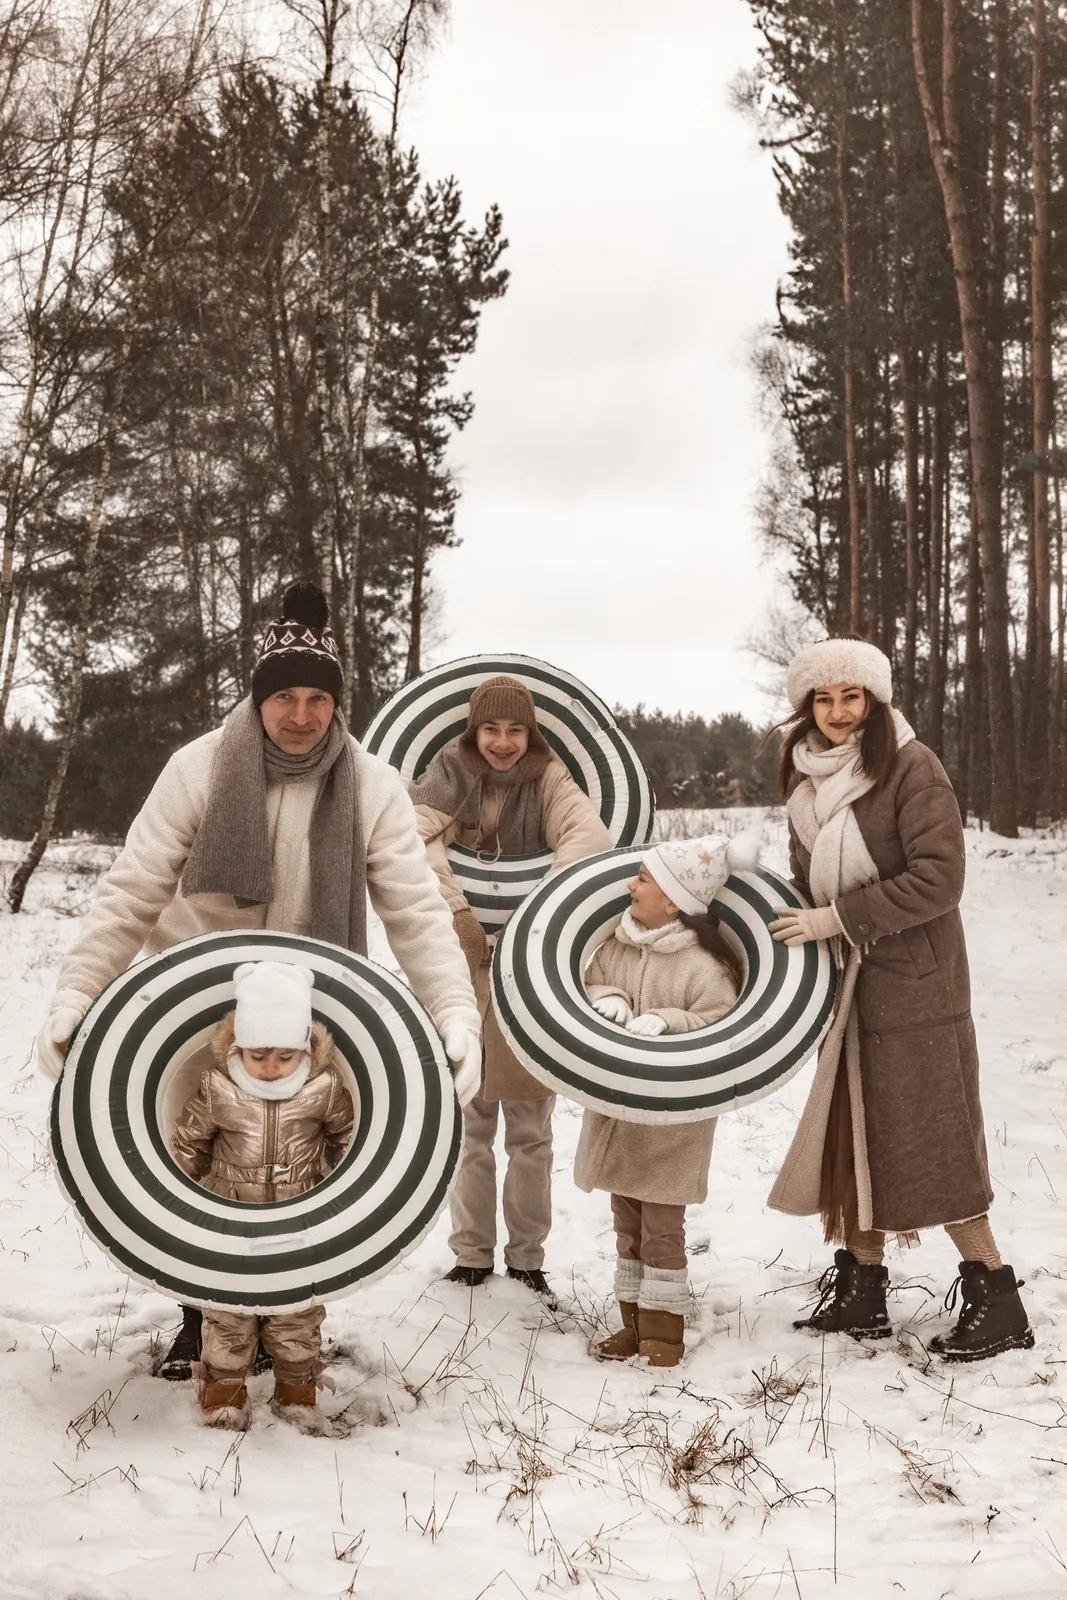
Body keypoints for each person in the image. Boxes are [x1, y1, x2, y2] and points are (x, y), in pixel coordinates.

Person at [36, 580, 481, 1379]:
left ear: (337, 705)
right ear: (258, 698)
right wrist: (77, 991)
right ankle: (199, 1321)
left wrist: (454, 1010)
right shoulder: (199, 768)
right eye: (286, 698)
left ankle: (289, 1325)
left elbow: (414, 909)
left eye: (318, 698)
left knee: (294, 1165)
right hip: (196, 1009)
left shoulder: (370, 783)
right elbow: (133, 888)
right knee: (208, 1168)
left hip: (308, 1015)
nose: (302, 715)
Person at [766, 637, 1033, 1362]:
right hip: (846, 985)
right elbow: (807, 884)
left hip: (914, 983)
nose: (837, 712)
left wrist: (838, 918)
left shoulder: (913, 768)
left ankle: (994, 1292)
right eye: (823, 698)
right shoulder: (803, 781)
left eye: (852, 697)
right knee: (854, 1134)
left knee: (930, 1138)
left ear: (876, 702)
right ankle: (862, 1289)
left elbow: (938, 879)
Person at [409, 675, 612, 1299]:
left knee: (530, 1129)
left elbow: (589, 839)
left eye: (515, 729)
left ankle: (527, 1257)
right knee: (470, 1121)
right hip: (462, 962)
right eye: (491, 729)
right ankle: (471, 1253)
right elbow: (406, 838)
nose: (502, 742)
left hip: (529, 969)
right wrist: (457, 911)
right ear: (475, 730)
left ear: (531, 733)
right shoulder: (451, 769)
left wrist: (537, 914)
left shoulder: (548, 775)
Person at [574, 835, 749, 1366]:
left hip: (674, 1124)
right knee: (626, 1222)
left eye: (644, 879)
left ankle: (663, 1332)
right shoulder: (617, 946)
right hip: (620, 1113)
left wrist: (671, 1023)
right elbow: (594, 981)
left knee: (661, 1230)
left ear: (674, 899)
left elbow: (719, 1018)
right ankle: (631, 1323)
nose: (631, 885)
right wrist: (611, 1000)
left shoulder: (702, 965)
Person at [170, 961, 353, 1429]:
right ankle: (223, 1395)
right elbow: (188, 1144)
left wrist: (339, 1190)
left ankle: (296, 1393)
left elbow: (347, 1141)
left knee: (296, 1317)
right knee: (228, 1317)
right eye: (258, 1056)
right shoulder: (218, 1087)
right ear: (237, 1047)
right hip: (232, 1221)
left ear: (304, 1048)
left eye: (285, 1057)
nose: (271, 1068)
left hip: (299, 1221)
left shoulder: (324, 1088)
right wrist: (181, 1199)